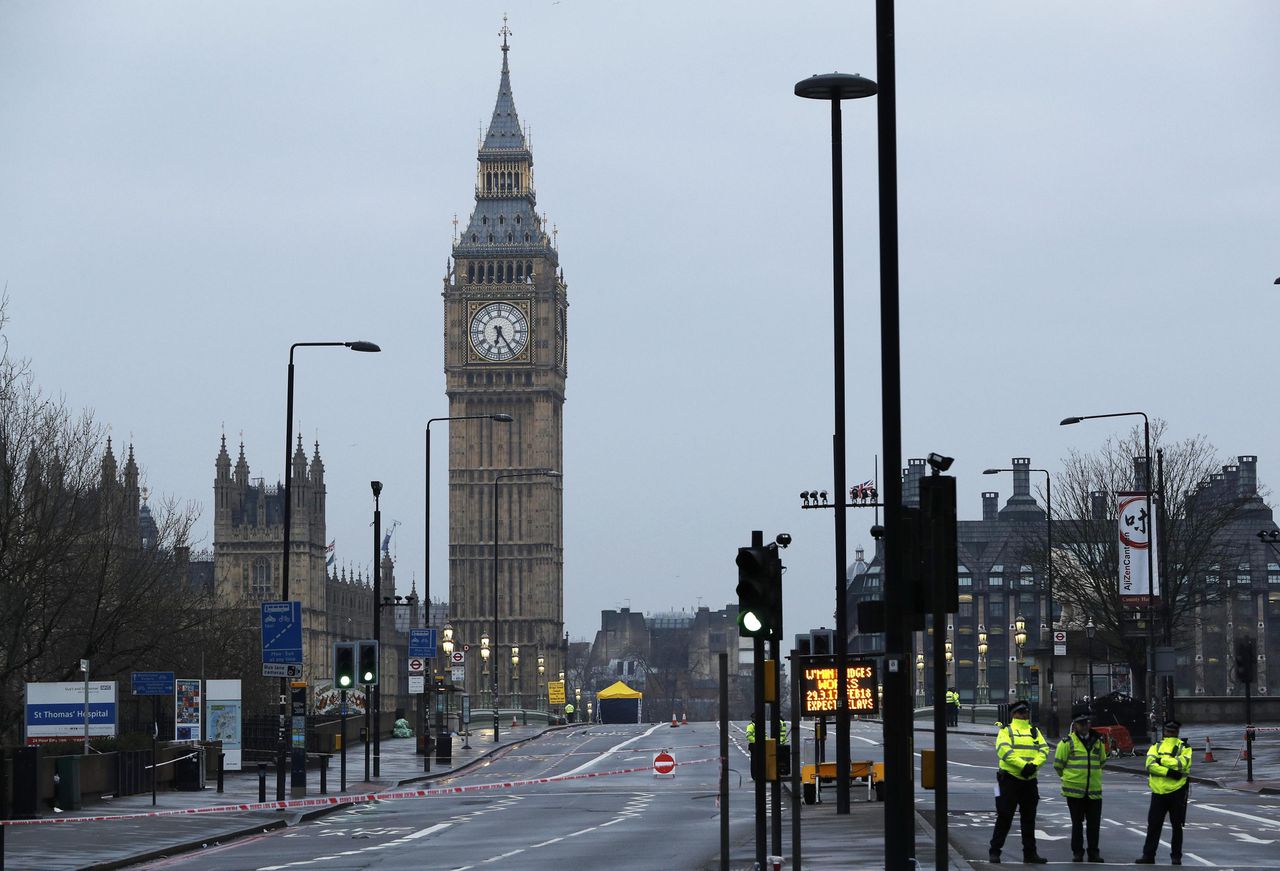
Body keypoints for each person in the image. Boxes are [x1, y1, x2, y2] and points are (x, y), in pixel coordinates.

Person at [989, 699, 1050, 865]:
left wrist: (1034, 765)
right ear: (1014, 714)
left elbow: (1044, 750)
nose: (1024, 715)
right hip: (1008, 780)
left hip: (1029, 781)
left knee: (1029, 818)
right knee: (1004, 816)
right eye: (1021, 712)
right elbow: (1004, 751)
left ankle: (1030, 854)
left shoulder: (1034, 731)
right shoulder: (1006, 731)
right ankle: (995, 851)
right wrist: (1024, 766)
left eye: (1026, 712)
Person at [1135, 719, 1193, 865]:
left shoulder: (1176, 747)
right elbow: (1150, 766)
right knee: (1169, 826)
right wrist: (1169, 772)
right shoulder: (1180, 747)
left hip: (1171, 791)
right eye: (1169, 731)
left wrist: (1161, 762)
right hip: (1169, 791)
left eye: (1172, 732)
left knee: (1163, 826)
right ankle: (1171, 856)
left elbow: (1181, 764)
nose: (1170, 734)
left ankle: (1153, 855)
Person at [1054, 713, 1107, 863]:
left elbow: (1102, 761)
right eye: (1080, 723)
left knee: (1094, 825)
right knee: (1077, 824)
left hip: (1094, 791)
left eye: (1086, 723)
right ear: (1075, 725)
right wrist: (1068, 779)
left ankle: (1093, 853)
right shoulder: (1067, 742)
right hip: (1074, 791)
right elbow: (1058, 765)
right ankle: (1077, 852)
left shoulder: (1098, 742)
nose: (1084, 726)